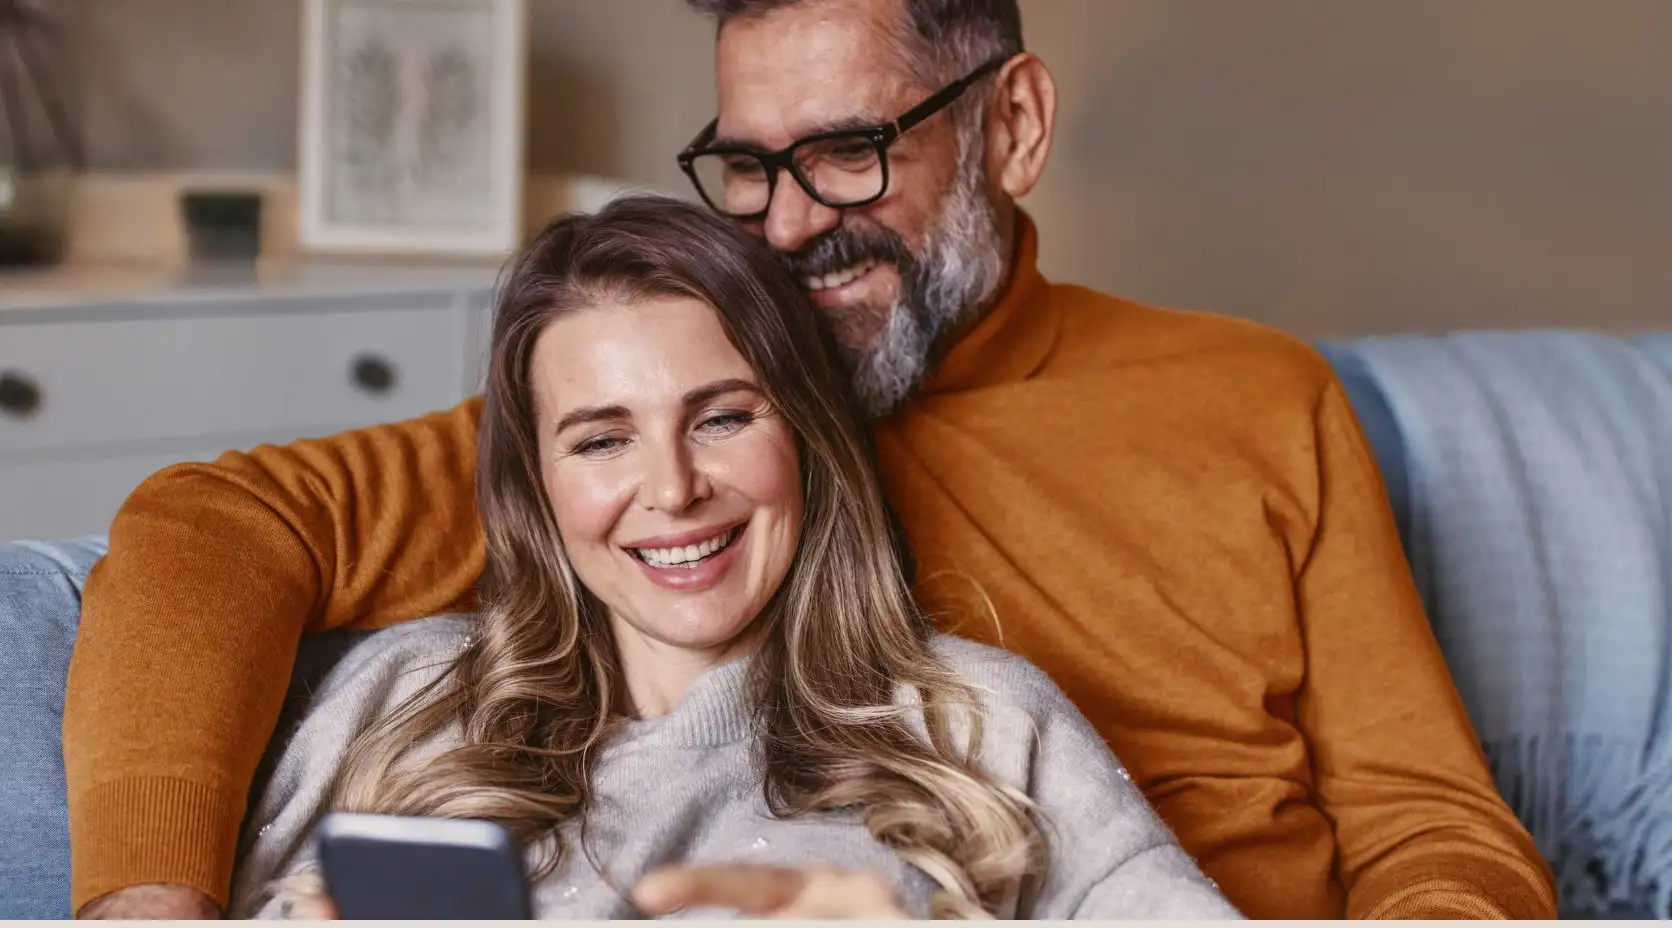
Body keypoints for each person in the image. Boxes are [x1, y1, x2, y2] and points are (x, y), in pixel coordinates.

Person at [65, 0, 1555, 919]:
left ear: (1014, 127)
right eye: (747, 165)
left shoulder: (1257, 401)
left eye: (847, 152)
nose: (783, 226)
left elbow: (1431, 825)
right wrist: (151, 904)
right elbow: (215, 526)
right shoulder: (694, 421)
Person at [226, 197, 1240, 920]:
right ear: (534, 484)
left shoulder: (982, 726)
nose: (672, 489)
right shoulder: (401, 704)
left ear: (803, 434)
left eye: (720, 417)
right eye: (600, 438)